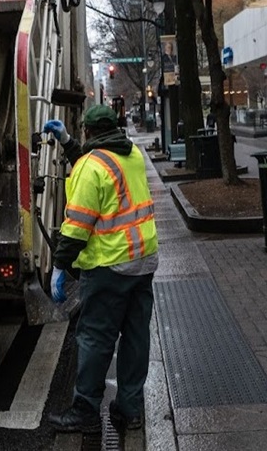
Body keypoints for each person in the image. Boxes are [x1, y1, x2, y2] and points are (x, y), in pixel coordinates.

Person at [41, 105, 158, 434]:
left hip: (110, 266)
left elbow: (76, 226)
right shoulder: (131, 152)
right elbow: (100, 164)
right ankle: (130, 410)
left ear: (89, 132)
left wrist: (59, 267)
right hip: (143, 260)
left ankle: (86, 410)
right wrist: (66, 142)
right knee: (135, 337)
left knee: (95, 338)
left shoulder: (91, 168)